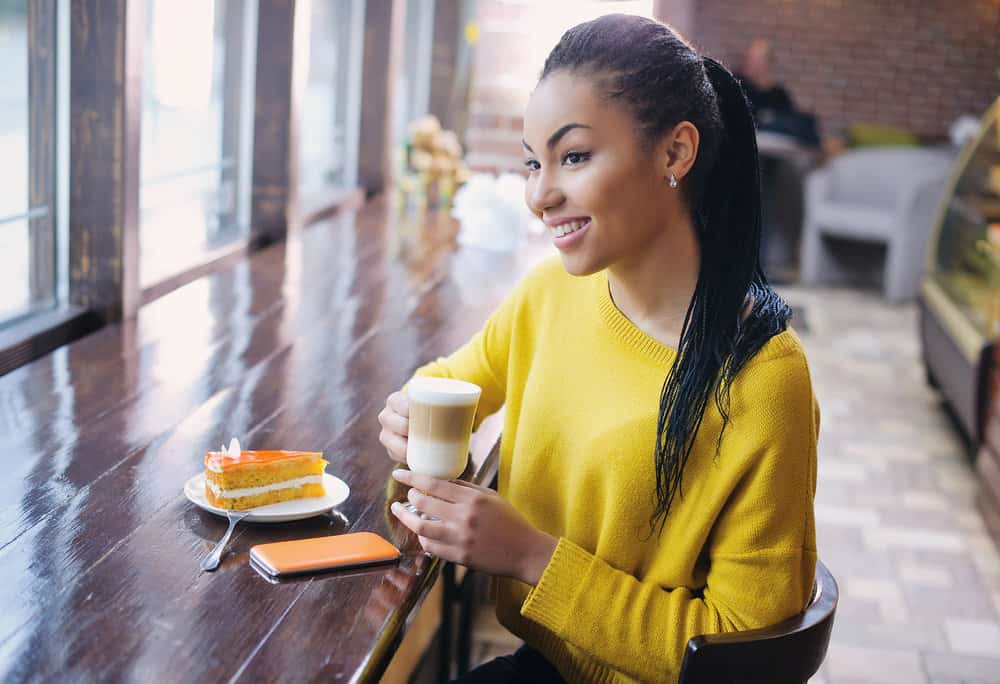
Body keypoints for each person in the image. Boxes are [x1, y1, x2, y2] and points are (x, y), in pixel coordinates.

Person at [378, 14, 818, 684]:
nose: (539, 194)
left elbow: (742, 656)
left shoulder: (763, 381)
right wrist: (411, 418)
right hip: (546, 665)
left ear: (674, 154)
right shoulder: (551, 294)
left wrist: (531, 557)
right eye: (533, 161)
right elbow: (451, 381)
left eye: (573, 156)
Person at [735, 38, 820, 147]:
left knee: (807, 122)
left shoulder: (778, 93)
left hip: (775, 143)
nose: (751, 63)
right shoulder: (737, 85)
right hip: (752, 137)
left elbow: (790, 115)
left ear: (767, 64)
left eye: (757, 60)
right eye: (750, 59)